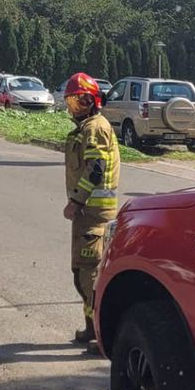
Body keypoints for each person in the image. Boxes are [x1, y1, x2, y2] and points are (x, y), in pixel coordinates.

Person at [62, 72, 118, 344]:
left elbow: (96, 169)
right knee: (82, 273)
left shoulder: (95, 127)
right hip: (87, 216)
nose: (76, 109)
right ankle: (91, 328)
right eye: (72, 103)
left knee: (89, 276)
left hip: (95, 216)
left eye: (81, 102)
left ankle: (100, 333)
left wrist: (77, 201)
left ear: (94, 101)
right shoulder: (86, 127)